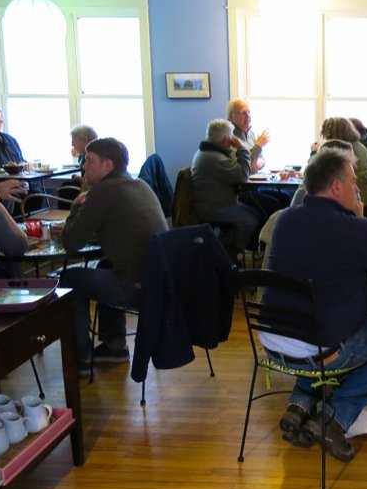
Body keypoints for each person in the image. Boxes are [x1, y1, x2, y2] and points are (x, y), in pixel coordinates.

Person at [262, 147, 367, 462]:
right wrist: (362, 222)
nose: (357, 188)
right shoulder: (356, 228)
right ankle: (334, 419)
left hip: (271, 340)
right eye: (353, 181)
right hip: (319, 350)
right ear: (336, 186)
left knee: (317, 321)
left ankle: (299, 405)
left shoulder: (284, 219)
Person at [59, 138, 168, 371]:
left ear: (107, 165)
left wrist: (76, 207)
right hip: (160, 283)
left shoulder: (102, 192)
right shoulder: (140, 185)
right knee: (104, 267)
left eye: (89, 161)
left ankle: (81, 356)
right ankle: (115, 346)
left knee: (68, 279)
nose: (83, 166)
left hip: (137, 288)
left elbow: (71, 242)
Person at [191, 119, 262, 254]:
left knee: (256, 213)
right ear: (224, 141)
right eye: (231, 138)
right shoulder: (214, 158)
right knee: (250, 221)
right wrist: (241, 148)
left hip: (218, 202)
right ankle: (224, 250)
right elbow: (242, 175)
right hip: (214, 208)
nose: (232, 142)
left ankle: (224, 246)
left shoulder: (208, 152)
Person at [319, 117, 367, 207]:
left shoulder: (344, 150)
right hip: (365, 194)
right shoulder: (357, 146)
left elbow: (320, 172)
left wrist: (314, 153)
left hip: (359, 198)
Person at [227, 99, 270, 173]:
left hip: (254, 180)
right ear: (231, 117)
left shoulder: (251, 134)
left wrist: (257, 164)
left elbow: (261, 159)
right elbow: (241, 166)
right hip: (239, 183)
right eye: (243, 113)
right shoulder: (228, 137)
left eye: (248, 112)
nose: (248, 116)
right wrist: (258, 146)